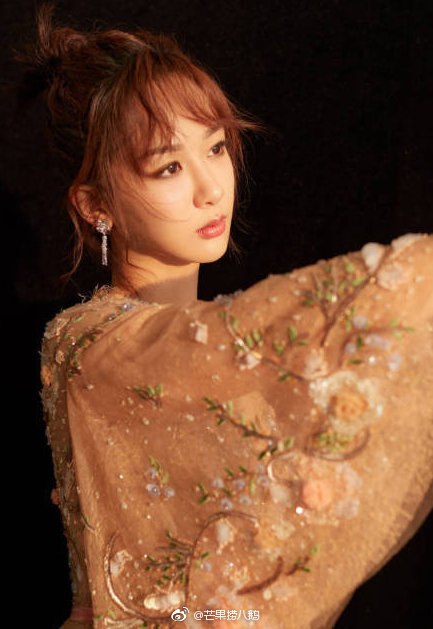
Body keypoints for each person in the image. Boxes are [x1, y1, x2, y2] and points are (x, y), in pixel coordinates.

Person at [16, 4, 433, 629]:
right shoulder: (86, 343)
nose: (212, 188)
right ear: (96, 204)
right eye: (169, 167)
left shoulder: (215, 347)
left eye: (215, 147)